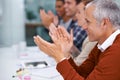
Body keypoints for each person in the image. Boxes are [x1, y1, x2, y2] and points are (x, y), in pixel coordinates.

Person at [34, 0, 120, 79]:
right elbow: (81, 73)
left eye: (88, 22)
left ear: (104, 23)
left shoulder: (116, 51)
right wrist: (65, 55)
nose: (84, 26)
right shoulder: (101, 45)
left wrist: (58, 57)